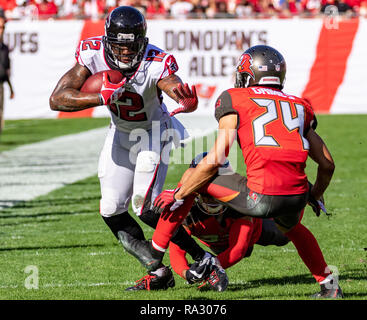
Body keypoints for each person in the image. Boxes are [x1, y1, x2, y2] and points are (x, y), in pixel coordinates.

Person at [124, 45, 343, 298]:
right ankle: (330, 287)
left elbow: (217, 158)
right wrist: (314, 194)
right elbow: (327, 164)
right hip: (296, 195)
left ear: (247, 75)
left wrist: (178, 193)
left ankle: (155, 254)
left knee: (197, 174)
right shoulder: (300, 105)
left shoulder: (235, 98)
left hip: (260, 196)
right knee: (293, 229)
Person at [49, 6, 207, 291]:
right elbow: (57, 99)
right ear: (107, 40)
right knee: (110, 208)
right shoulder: (92, 53)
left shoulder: (155, 61)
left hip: (153, 132)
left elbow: (171, 83)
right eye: (119, 46)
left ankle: (203, 259)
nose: (125, 53)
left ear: (142, 42)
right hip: (120, 133)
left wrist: (183, 98)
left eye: (131, 46)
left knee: (144, 207)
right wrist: (99, 97)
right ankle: (159, 273)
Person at [168, 153, 290, 289]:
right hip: (215, 244)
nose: (209, 196)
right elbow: (176, 251)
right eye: (204, 185)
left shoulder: (239, 201)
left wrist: (210, 266)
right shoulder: (187, 208)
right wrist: (188, 274)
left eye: (215, 183)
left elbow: (238, 249)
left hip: (253, 234)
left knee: (287, 233)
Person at [0, 13, 14, 138]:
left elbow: (6, 70)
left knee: (0, 114)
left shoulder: (4, 48)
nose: (1, 31)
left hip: (1, 85)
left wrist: (10, 88)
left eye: (3, 28)